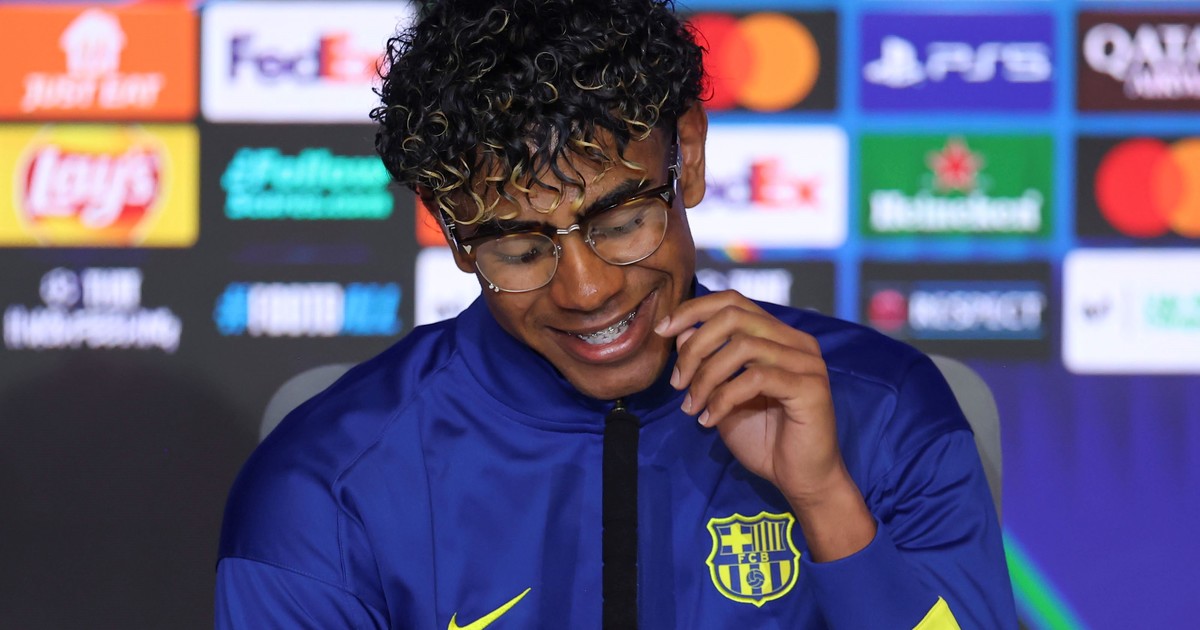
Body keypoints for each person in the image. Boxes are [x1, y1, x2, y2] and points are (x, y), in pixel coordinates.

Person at [214, 1, 1018, 627]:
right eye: (520, 249)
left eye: (622, 222)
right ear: (452, 228)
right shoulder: (326, 486)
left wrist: (827, 503)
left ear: (687, 156)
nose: (587, 290)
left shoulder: (884, 411)